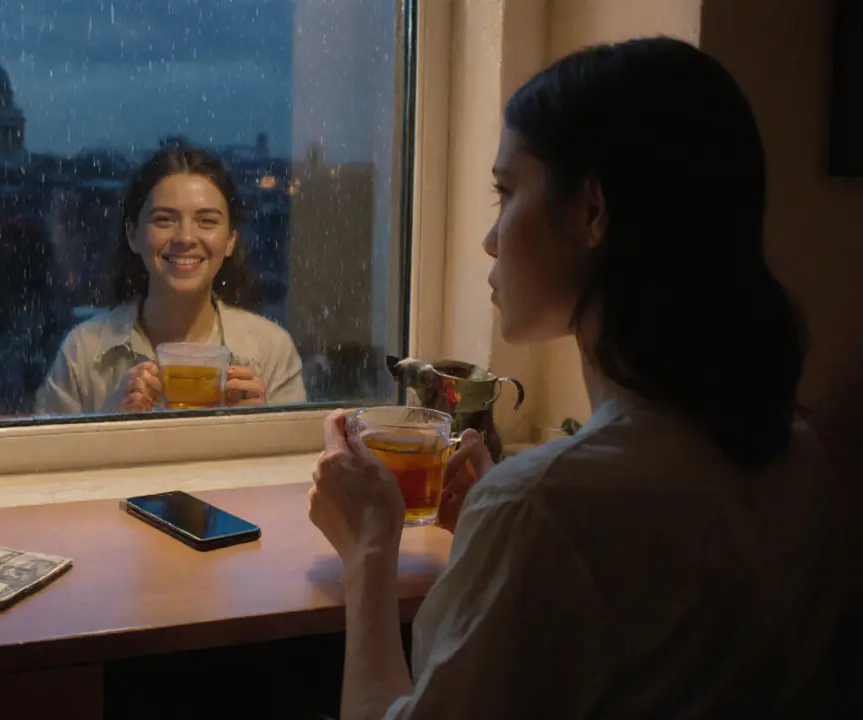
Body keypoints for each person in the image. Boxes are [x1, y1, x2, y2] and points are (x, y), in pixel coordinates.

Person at [309, 37, 843, 719]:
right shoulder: (798, 460)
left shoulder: (543, 507)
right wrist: (496, 533)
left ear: (593, 211)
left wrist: (368, 551)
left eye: (506, 192)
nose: (490, 240)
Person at [36, 147, 306, 415]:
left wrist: (261, 426)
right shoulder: (84, 351)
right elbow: (46, 444)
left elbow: (298, 444)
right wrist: (108, 420)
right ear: (132, 234)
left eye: (207, 221)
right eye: (164, 220)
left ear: (230, 240)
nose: (185, 238)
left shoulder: (271, 351)